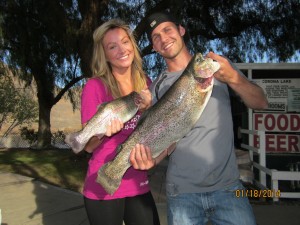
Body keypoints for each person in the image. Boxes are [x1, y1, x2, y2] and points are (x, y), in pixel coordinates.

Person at [129, 11, 268, 225]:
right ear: (154, 47)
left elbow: (261, 103)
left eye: (168, 30)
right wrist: (150, 162)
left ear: (181, 30)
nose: (163, 38)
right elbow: (167, 142)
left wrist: (233, 78)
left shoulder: (217, 67)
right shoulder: (156, 87)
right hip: (181, 193)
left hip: (229, 189)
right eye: (155, 37)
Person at [81, 19, 160, 225]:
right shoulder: (95, 86)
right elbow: (88, 146)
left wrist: (149, 109)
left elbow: (151, 130)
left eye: (125, 42)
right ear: (104, 54)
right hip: (103, 184)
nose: (121, 50)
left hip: (137, 181)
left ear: (132, 45)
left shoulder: (146, 83)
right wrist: (103, 132)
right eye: (112, 46)